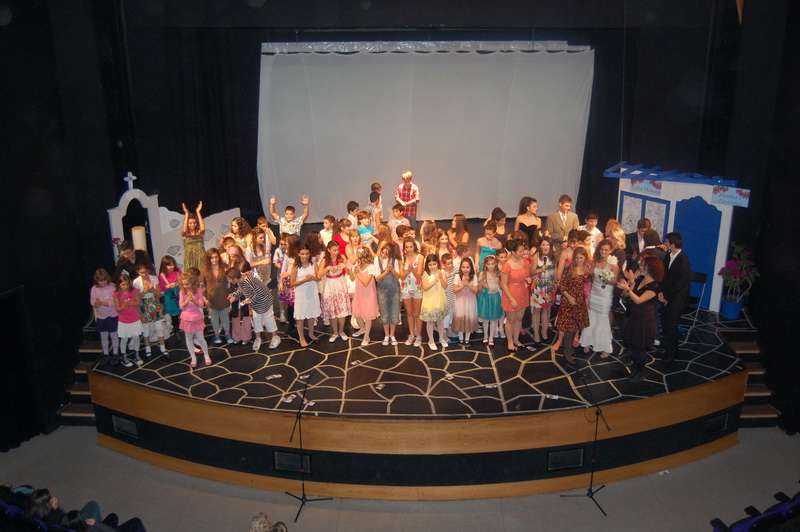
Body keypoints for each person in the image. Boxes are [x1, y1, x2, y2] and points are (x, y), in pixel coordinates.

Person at [618, 254, 664, 382]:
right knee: (631, 342)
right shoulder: (639, 279)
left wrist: (628, 289)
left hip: (644, 319)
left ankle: (641, 370)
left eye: (643, 265)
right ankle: (635, 368)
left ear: (650, 268)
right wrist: (626, 286)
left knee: (639, 346)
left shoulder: (654, 286)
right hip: (633, 315)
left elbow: (638, 300)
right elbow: (627, 295)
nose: (640, 266)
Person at [580, 240, 619, 358]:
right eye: (602, 249)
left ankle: (605, 347)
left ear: (610, 251)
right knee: (591, 318)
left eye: (606, 250)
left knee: (603, 320)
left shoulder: (614, 265)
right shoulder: (596, 261)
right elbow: (591, 275)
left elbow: (615, 282)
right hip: (594, 293)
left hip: (605, 295)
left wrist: (605, 277)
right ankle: (587, 341)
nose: (603, 252)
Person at [227, 268, 281, 351]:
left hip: (265, 302)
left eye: (229, 279)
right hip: (256, 304)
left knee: (268, 319)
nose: (229, 281)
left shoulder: (249, 281)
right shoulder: (241, 280)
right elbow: (241, 290)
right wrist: (234, 295)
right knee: (256, 320)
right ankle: (258, 338)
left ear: (235, 279)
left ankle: (275, 337)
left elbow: (259, 294)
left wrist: (249, 301)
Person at [554, 246, 592, 364]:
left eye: (581, 258)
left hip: (579, 301)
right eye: (577, 258)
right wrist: (569, 297)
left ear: (585, 258)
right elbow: (562, 285)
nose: (579, 260)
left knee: (574, 327)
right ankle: (567, 352)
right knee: (568, 328)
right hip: (568, 301)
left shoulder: (587, 270)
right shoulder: (570, 269)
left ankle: (569, 348)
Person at [658, 232, 691, 361]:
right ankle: (666, 348)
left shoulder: (683, 261)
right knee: (665, 324)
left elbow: (679, 284)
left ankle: (672, 353)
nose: (665, 244)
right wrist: (661, 291)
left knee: (671, 326)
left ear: (672, 244)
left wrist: (666, 297)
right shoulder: (668, 256)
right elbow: (664, 275)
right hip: (667, 296)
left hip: (676, 300)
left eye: (667, 242)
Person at [26, 488, 118, 532]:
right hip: (83, 527)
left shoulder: (36, 514)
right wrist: (97, 524)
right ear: (49, 505)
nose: (55, 497)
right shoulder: (59, 517)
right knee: (94, 506)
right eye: (52, 497)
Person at [317, 240, 352, 342]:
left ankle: (341, 331)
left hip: (340, 284)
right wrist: (327, 268)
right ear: (329, 250)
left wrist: (345, 266)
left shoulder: (342, 258)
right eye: (334, 250)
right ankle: (335, 332)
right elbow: (319, 275)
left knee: (341, 308)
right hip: (329, 284)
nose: (336, 252)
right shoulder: (325, 260)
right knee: (332, 309)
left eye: (337, 250)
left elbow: (349, 272)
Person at [499, 239, 531, 352]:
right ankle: (510, 341)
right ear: (513, 252)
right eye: (520, 251)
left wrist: (528, 278)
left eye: (523, 251)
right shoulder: (507, 265)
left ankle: (516, 339)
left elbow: (527, 274)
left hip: (522, 291)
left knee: (519, 318)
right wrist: (511, 299)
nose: (522, 253)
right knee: (511, 319)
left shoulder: (525, 262)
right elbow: (503, 284)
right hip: (511, 292)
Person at [133, 262, 168, 359]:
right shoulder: (136, 282)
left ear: (148, 271)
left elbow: (159, 295)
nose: (144, 274)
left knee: (159, 328)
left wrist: (152, 288)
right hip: (144, 306)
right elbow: (137, 298)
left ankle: (163, 348)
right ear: (138, 272)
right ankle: (148, 349)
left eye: (146, 272)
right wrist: (145, 290)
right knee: (146, 330)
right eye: (141, 273)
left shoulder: (153, 278)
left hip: (154, 304)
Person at [289, 246, 320, 347]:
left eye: (307, 253)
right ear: (299, 254)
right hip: (301, 294)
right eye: (302, 254)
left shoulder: (313, 263)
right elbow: (292, 283)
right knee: (300, 317)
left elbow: (318, 278)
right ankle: (301, 338)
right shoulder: (296, 266)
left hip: (312, 292)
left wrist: (313, 277)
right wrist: (304, 280)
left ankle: (311, 333)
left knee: (311, 314)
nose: (305, 256)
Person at [201, 248, 232, 345]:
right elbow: (202, 286)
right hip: (211, 298)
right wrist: (204, 298)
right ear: (208, 259)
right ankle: (216, 334)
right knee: (214, 317)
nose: (214, 259)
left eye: (216, 257)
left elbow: (229, 283)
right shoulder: (204, 270)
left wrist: (230, 296)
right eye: (212, 258)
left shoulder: (224, 267)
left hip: (224, 297)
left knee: (225, 316)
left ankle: (227, 333)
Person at [179, 271, 210, 367]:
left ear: (192, 282)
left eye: (187, 284)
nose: (185, 286)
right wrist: (187, 301)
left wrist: (193, 300)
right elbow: (181, 307)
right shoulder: (182, 292)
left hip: (196, 316)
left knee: (200, 338)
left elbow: (201, 305)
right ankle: (193, 357)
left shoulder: (198, 291)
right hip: (186, 317)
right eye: (183, 284)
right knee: (188, 338)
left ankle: (206, 355)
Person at [530, 236, 556, 345]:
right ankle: (536, 334)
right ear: (540, 246)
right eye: (543, 244)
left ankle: (544, 332)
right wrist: (540, 269)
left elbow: (554, 271)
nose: (545, 247)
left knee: (546, 310)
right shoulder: (536, 256)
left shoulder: (553, 256)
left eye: (547, 245)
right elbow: (531, 272)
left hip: (549, 287)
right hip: (538, 287)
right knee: (537, 310)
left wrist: (555, 282)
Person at [374, 241, 402, 346]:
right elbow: (377, 278)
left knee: (394, 312)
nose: (383, 255)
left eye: (386, 254)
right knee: (384, 312)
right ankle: (386, 335)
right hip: (382, 289)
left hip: (394, 289)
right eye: (382, 252)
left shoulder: (395, 260)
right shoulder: (377, 259)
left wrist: (392, 269)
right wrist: (386, 271)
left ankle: (392, 335)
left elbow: (398, 276)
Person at [351, 247, 380, 346]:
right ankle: (362, 328)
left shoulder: (371, 267)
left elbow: (366, 283)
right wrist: (351, 270)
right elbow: (352, 278)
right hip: (359, 293)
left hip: (368, 294)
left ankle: (366, 336)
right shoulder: (358, 266)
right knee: (357, 312)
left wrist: (357, 273)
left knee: (367, 315)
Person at [91, 268, 120, 365]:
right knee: (103, 336)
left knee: (114, 336)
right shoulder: (94, 289)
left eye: (104, 280)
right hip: (101, 316)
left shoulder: (112, 287)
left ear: (107, 279)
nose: (102, 283)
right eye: (100, 281)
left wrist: (102, 303)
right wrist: (95, 303)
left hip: (112, 315)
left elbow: (113, 302)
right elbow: (92, 300)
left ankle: (115, 353)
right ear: (97, 281)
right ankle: (106, 354)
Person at [113, 274, 143, 368]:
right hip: (124, 320)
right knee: (124, 339)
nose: (125, 287)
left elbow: (139, 303)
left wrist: (131, 303)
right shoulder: (116, 294)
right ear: (119, 284)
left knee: (136, 337)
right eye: (123, 285)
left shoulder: (134, 291)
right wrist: (123, 307)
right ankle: (124, 356)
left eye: (127, 284)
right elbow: (117, 309)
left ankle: (136, 354)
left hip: (134, 318)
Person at [420, 254, 449, 351]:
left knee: (440, 321)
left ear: (438, 263)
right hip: (430, 301)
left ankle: (441, 338)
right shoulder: (425, 274)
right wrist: (435, 280)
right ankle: (431, 340)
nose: (432, 267)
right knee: (430, 322)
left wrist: (440, 278)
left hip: (440, 299)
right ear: (427, 265)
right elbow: (425, 287)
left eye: (434, 264)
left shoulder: (442, 272)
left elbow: (445, 286)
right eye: (430, 265)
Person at [400, 237, 424, 347]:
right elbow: (402, 276)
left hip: (417, 288)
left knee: (417, 313)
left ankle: (419, 335)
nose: (409, 249)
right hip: (406, 288)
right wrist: (408, 270)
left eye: (411, 247)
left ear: (414, 246)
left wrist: (412, 268)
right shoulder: (402, 258)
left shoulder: (420, 257)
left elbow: (419, 276)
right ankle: (411, 334)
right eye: (407, 247)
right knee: (409, 313)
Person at [452, 257, 480, 346]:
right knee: (460, 317)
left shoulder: (474, 277)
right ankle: (460, 337)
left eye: (467, 267)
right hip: (460, 301)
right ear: (460, 267)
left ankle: (467, 338)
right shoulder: (457, 276)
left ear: (471, 268)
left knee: (469, 317)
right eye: (463, 267)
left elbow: (476, 291)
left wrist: (468, 284)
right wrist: (463, 285)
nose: (465, 269)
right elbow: (455, 290)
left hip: (470, 301)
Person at [181, 201, 206, 271]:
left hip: (200, 258)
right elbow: (184, 231)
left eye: (194, 223)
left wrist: (198, 212)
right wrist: (186, 213)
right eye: (190, 223)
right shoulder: (185, 234)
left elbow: (203, 229)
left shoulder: (199, 233)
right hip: (190, 259)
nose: (192, 225)